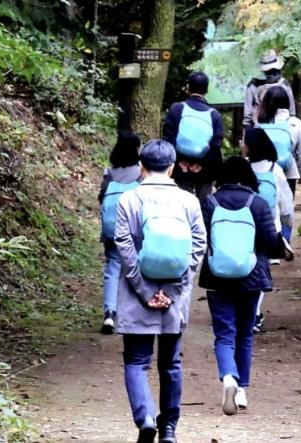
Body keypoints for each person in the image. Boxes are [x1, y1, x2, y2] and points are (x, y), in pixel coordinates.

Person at [114, 140, 207, 443]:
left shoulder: (129, 199)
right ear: (172, 167)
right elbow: (198, 247)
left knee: (136, 361)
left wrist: (144, 291)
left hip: (136, 294)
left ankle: (145, 418)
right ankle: (168, 429)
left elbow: (125, 248)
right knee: (170, 363)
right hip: (173, 297)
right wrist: (174, 291)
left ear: (141, 166)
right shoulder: (189, 201)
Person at [199, 156, 284, 416]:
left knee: (224, 334)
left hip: (217, 277)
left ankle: (228, 377)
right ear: (248, 176)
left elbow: (200, 237)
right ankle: (242, 390)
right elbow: (270, 243)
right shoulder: (258, 203)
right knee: (245, 334)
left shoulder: (209, 202)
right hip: (251, 278)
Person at [244, 127, 294, 332]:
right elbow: (286, 206)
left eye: (244, 141)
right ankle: (254, 313)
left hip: (243, 225)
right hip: (269, 228)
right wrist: (287, 228)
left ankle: (246, 312)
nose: (241, 145)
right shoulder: (275, 170)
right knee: (261, 271)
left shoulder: (243, 167)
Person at [98, 131, 141, 334]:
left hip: (112, 229)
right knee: (134, 267)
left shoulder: (109, 173)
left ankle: (109, 313)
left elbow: (102, 199)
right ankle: (131, 313)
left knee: (113, 269)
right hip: (134, 229)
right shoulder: (141, 173)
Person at [163, 71, 224, 200]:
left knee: (181, 202)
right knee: (205, 203)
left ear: (188, 87)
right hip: (204, 169)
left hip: (180, 167)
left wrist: (180, 162)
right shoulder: (214, 115)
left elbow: (168, 140)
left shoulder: (176, 108)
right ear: (206, 90)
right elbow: (215, 146)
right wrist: (200, 165)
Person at [258, 85, 301, 199]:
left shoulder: (261, 124)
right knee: (286, 205)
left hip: (265, 172)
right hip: (288, 171)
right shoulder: (295, 123)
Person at [243, 50, 296, 129]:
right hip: (283, 129)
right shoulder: (285, 85)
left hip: (259, 130)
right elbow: (292, 114)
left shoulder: (253, 86)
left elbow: (247, 117)